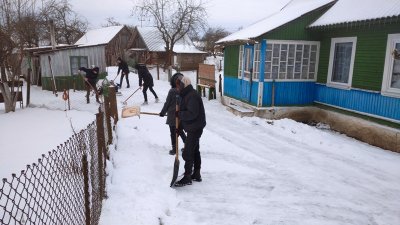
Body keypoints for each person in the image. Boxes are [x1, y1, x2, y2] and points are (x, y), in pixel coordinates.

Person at [174, 75, 206, 187]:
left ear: (183, 85)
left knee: (188, 152)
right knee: (195, 150)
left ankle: (187, 176)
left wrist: (180, 114)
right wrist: (179, 128)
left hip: (195, 128)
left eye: (179, 86)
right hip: (193, 126)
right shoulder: (187, 94)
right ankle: (196, 174)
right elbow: (185, 113)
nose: (177, 88)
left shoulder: (192, 96)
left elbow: (192, 114)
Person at [159, 73, 187, 155]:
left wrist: (162, 113)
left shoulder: (172, 91)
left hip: (172, 115)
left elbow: (167, 103)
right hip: (181, 115)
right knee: (180, 131)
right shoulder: (185, 90)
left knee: (173, 133)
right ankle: (187, 146)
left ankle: (174, 149)